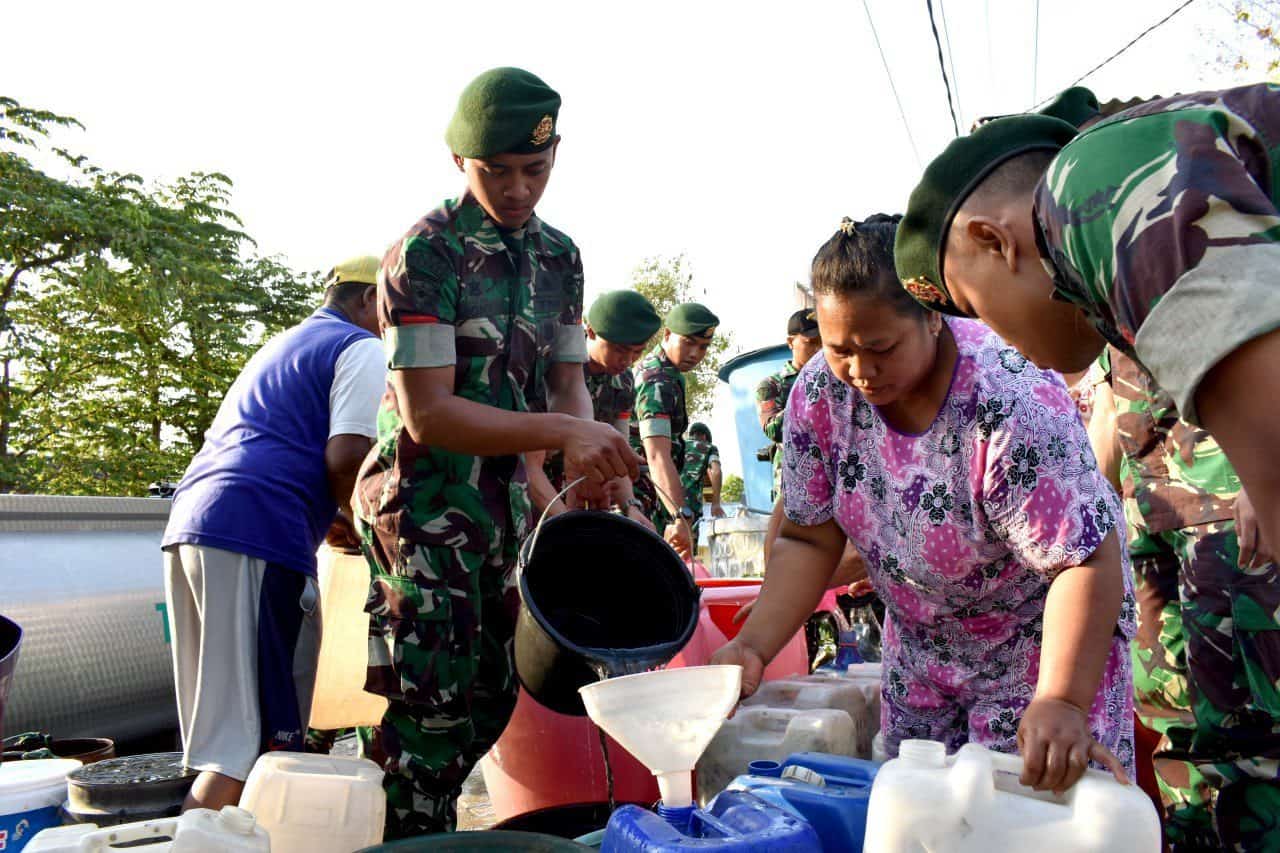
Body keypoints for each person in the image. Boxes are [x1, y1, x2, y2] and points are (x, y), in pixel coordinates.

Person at [713, 215, 1137, 795]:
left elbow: (1083, 560)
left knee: (1027, 814)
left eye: (880, 348)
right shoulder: (818, 395)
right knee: (922, 813)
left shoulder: (1007, 398)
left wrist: (1062, 699)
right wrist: (753, 645)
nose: (860, 371)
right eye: (840, 350)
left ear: (932, 314)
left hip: (1042, 649)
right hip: (921, 653)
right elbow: (808, 538)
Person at [351, 68, 639, 838]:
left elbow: (568, 383)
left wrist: (585, 457)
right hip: (422, 514)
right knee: (428, 717)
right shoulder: (426, 254)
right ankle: (403, 832)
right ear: (460, 164)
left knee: (490, 697)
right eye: (497, 171)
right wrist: (560, 434)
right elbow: (428, 412)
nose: (518, 190)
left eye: (535, 171)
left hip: (503, 512)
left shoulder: (561, 258)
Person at [892, 82, 1280, 583]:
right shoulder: (1101, 270)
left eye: (976, 309)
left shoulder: (1086, 192)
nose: (1001, 341)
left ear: (993, 240)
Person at [161, 255, 386, 810]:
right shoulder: (361, 347)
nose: (397, 328)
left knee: (224, 739)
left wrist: (333, 523)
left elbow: (282, 451)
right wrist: (373, 532)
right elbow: (348, 455)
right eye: (394, 311)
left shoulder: (284, 345)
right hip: (258, 532)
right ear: (368, 302)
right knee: (260, 747)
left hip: (196, 524)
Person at [1096, 346, 1277, 850]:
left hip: (1228, 500)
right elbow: (1113, 389)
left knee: (1250, 735)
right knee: (1169, 717)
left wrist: (1269, 462)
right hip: (1150, 505)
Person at [526, 289, 660, 527]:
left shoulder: (624, 382)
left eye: (637, 352)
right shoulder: (554, 372)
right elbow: (529, 468)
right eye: (619, 349)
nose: (628, 360)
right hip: (536, 499)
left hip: (584, 496)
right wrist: (566, 522)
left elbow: (616, 452)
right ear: (589, 332)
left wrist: (631, 508)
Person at [630, 303, 719, 557]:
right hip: (639, 496)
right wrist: (680, 514)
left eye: (703, 347)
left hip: (648, 496)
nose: (695, 353)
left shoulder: (667, 373)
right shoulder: (658, 381)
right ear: (667, 334)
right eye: (688, 342)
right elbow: (657, 454)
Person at [756, 308, 823, 501]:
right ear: (790, 342)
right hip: (794, 484)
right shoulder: (771, 386)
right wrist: (811, 389)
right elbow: (773, 430)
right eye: (810, 343)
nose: (818, 350)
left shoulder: (836, 381)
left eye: (822, 343)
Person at [681, 422, 725, 522]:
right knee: (687, 536)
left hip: (669, 503)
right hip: (690, 507)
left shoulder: (679, 445)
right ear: (705, 436)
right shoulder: (709, 448)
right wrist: (716, 503)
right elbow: (716, 471)